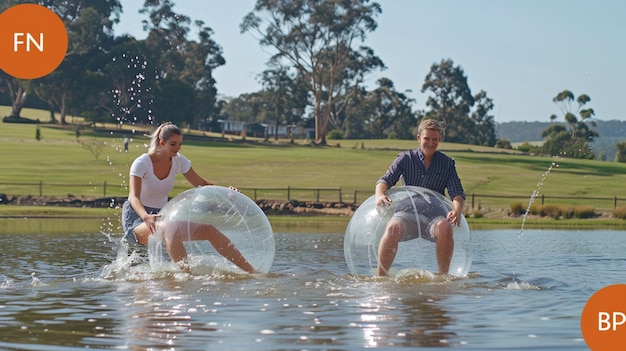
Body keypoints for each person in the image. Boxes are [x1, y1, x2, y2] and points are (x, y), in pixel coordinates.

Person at [121, 122, 256, 273]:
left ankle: (252, 272)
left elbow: (202, 184)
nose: (177, 148)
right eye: (173, 144)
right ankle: (186, 276)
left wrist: (228, 192)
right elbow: (133, 197)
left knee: (209, 229)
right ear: (161, 142)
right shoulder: (142, 163)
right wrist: (146, 216)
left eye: (179, 144)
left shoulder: (178, 160)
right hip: (138, 221)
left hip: (162, 219)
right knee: (169, 227)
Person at [375, 119, 465, 276]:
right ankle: (380, 277)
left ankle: (443, 279)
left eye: (434, 139)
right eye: (426, 138)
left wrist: (457, 210)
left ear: (439, 140)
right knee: (392, 227)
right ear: (419, 138)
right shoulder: (405, 159)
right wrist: (380, 194)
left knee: (445, 227)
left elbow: (457, 192)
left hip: (434, 216)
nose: (430, 143)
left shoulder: (447, 164)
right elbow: (385, 180)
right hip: (406, 214)